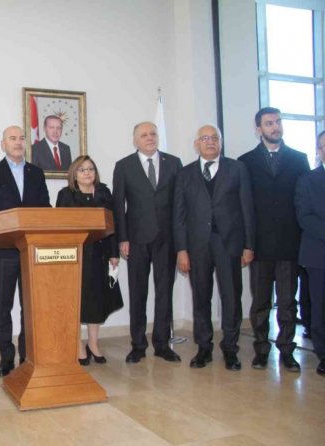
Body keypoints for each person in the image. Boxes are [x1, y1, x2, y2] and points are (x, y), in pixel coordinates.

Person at [174, 125, 255, 371]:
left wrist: (249, 245)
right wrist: (181, 249)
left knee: (231, 296)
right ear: (196, 144)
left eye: (214, 138)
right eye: (205, 138)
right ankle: (204, 348)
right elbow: (179, 215)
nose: (210, 142)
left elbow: (247, 208)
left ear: (220, 142)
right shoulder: (185, 174)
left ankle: (230, 348)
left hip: (229, 243)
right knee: (201, 296)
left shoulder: (238, 169)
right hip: (197, 245)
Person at [238, 107, 310, 372]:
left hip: (290, 244)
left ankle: (287, 351)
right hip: (259, 246)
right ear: (259, 129)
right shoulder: (245, 161)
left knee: (288, 302)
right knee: (260, 303)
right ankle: (261, 350)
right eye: (269, 123)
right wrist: (247, 244)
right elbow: (243, 206)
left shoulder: (299, 159)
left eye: (278, 122)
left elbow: (304, 201)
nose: (275, 127)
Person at [0, 125, 50, 377]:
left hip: (31, 249)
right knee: (3, 305)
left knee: (29, 306)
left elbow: (45, 207)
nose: (18, 142)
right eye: (12, 138)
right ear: (3, 144)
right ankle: (6, 357)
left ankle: (27, 355)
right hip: (4, 250)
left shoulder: (36, 173)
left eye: (21, 138)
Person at [112, 121, 183, 363]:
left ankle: (162, 344)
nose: (150, 137)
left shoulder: (173, 163)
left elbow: (180, 204)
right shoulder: (124, 166)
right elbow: (118, 206)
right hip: (136, 239)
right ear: (135, 140)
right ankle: (138, 345)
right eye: (144, 135)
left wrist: (180, 240)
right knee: (138, 293)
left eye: (153, 133)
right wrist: (122, 238)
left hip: (167, 239)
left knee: (164, 292)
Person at [56, 155, 123, 365]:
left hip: (100, 255)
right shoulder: (65, 195)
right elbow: (59, 227)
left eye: (91, 169)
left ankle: (93, 343)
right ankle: (78, 345)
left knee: (97, 300)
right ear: (74, 174)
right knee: (76, 300)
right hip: (75, 256)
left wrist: (114, 253)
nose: (87, 173)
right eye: (82, 169)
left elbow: (113, 225)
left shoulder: (104, 192)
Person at [295, 130, 325, 377]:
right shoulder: (307, 180)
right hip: (319, 254)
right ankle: (323, 354)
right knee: (321, 307)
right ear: (318, 150)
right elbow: (304, 216)